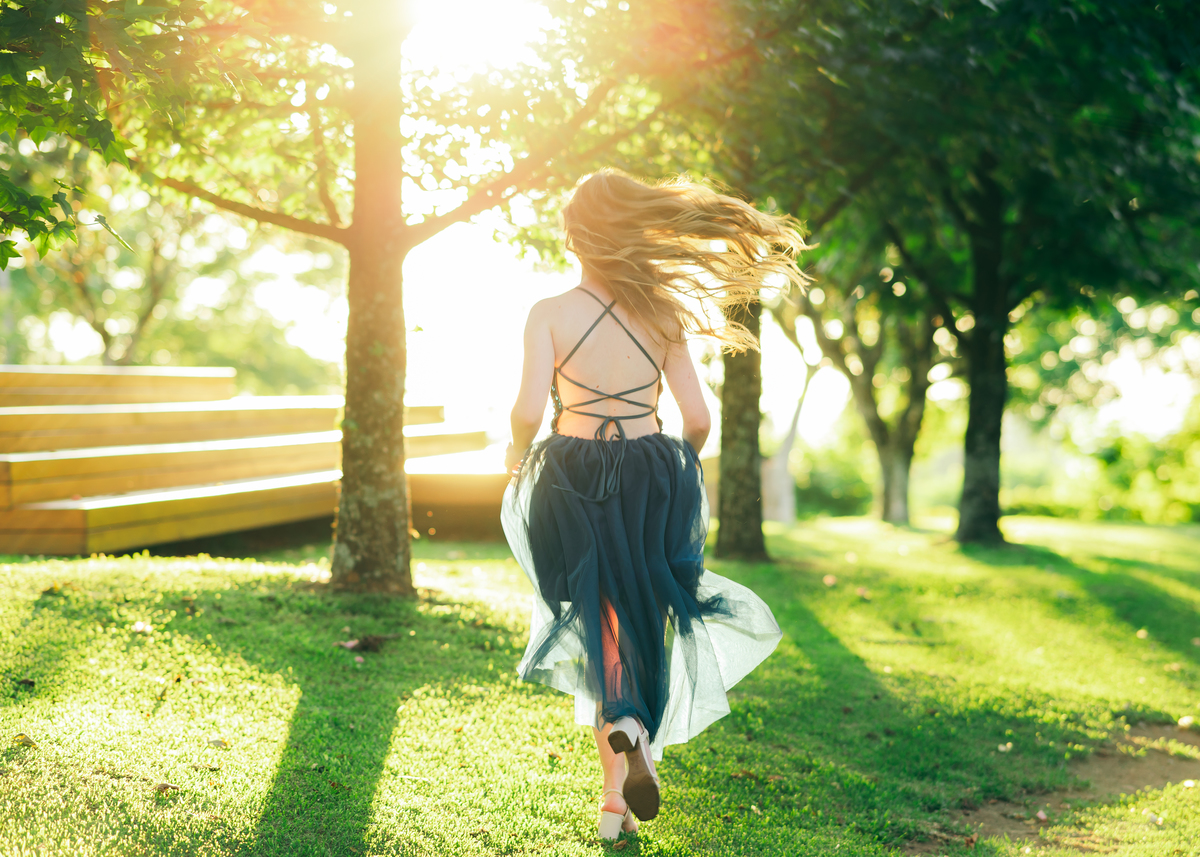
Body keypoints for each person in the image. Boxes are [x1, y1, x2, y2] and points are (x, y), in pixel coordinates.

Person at [501, 169, 808, 840]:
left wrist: (515, 453)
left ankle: (623, 730)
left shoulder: (549, 312)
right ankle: (620, 786)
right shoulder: (663, 313)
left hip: (571, 473)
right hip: (649, 471)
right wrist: (669, 469)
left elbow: (528, 409)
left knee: (598, 614)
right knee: (636, 620)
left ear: (576, 238)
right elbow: (697, 418)